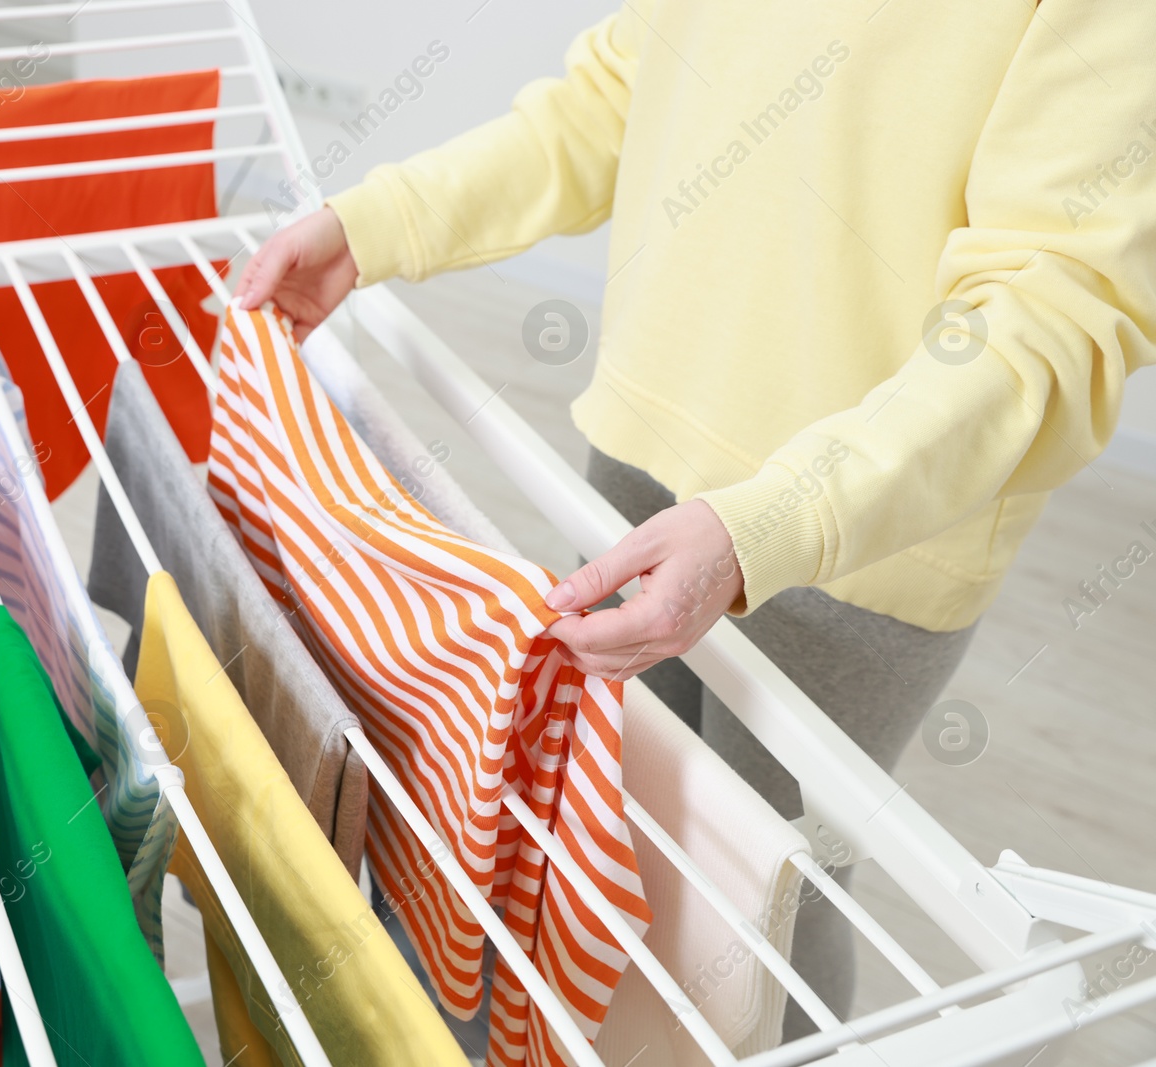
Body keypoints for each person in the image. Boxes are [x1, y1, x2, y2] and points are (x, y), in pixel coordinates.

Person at [236, 2, 1156, 1037]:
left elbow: (1055, 310)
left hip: (861, 544)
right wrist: (382, 220)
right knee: (589, 826)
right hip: (638, 457)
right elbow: (616, 99)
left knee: (763, 921)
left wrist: (774, 518)